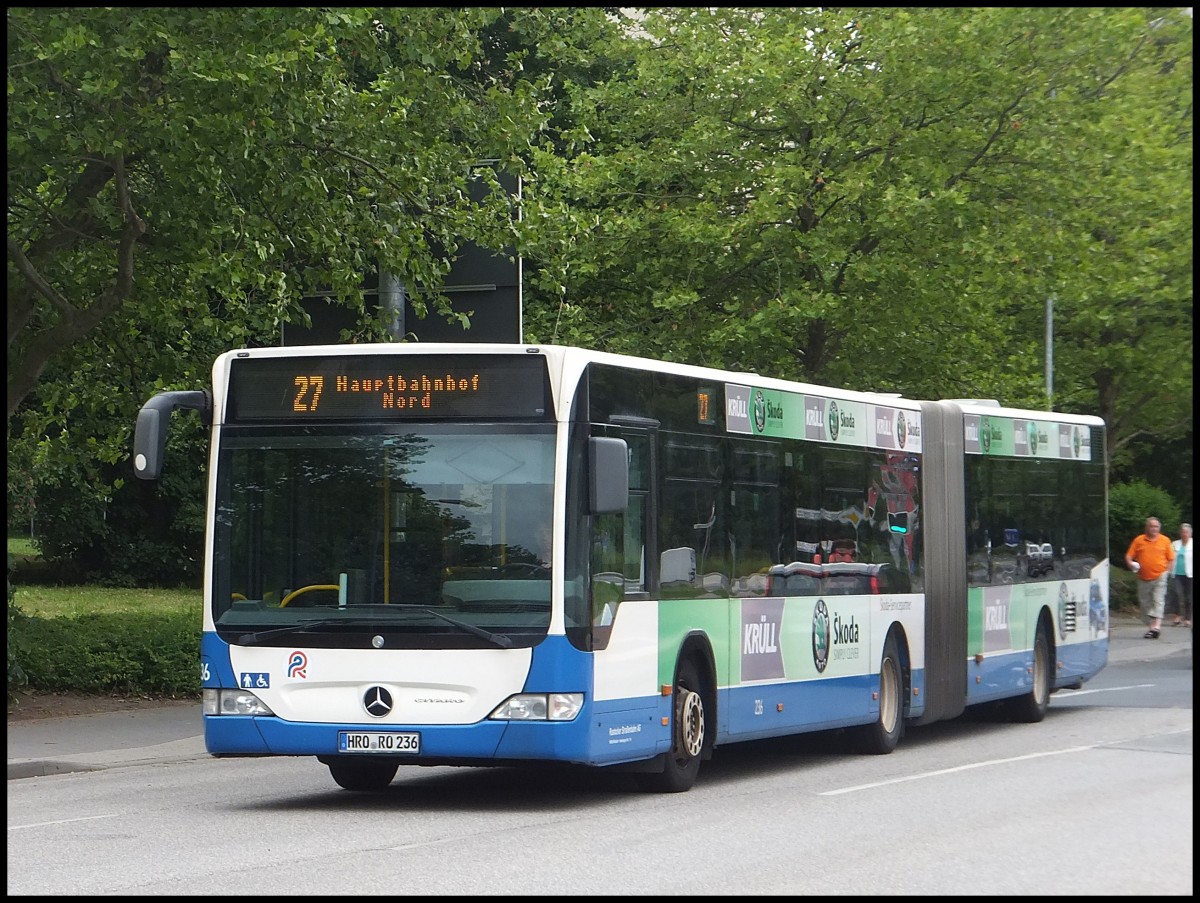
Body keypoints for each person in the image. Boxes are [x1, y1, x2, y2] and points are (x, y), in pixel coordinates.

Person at [1124, 517, 1175, 639]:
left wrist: (1167, 572)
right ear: (1146, 527)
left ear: (1159, 528)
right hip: (1143, 577)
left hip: (1160, 576)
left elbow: (1171, 558)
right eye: (1151, 526)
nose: (1154, 529)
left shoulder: (1165, 540)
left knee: (1158, 600)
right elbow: (1129, 556)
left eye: (1156, 526)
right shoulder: (1139, 540)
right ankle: (1151, 627)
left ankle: (1156, 627)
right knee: (1145, 603)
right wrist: (1130, 564)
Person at [1168, 522, 1192, 628]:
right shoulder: (1174, 544)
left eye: (1186, 532)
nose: (1184, 534)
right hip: (1176, 573)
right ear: (1180, 533)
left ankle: (1188, 618)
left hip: (1190, 574)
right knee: (1176, 594)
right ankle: (1177, 616)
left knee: (1189, 597)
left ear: (1190, 533)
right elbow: (1169, 557)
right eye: (1183, 532)